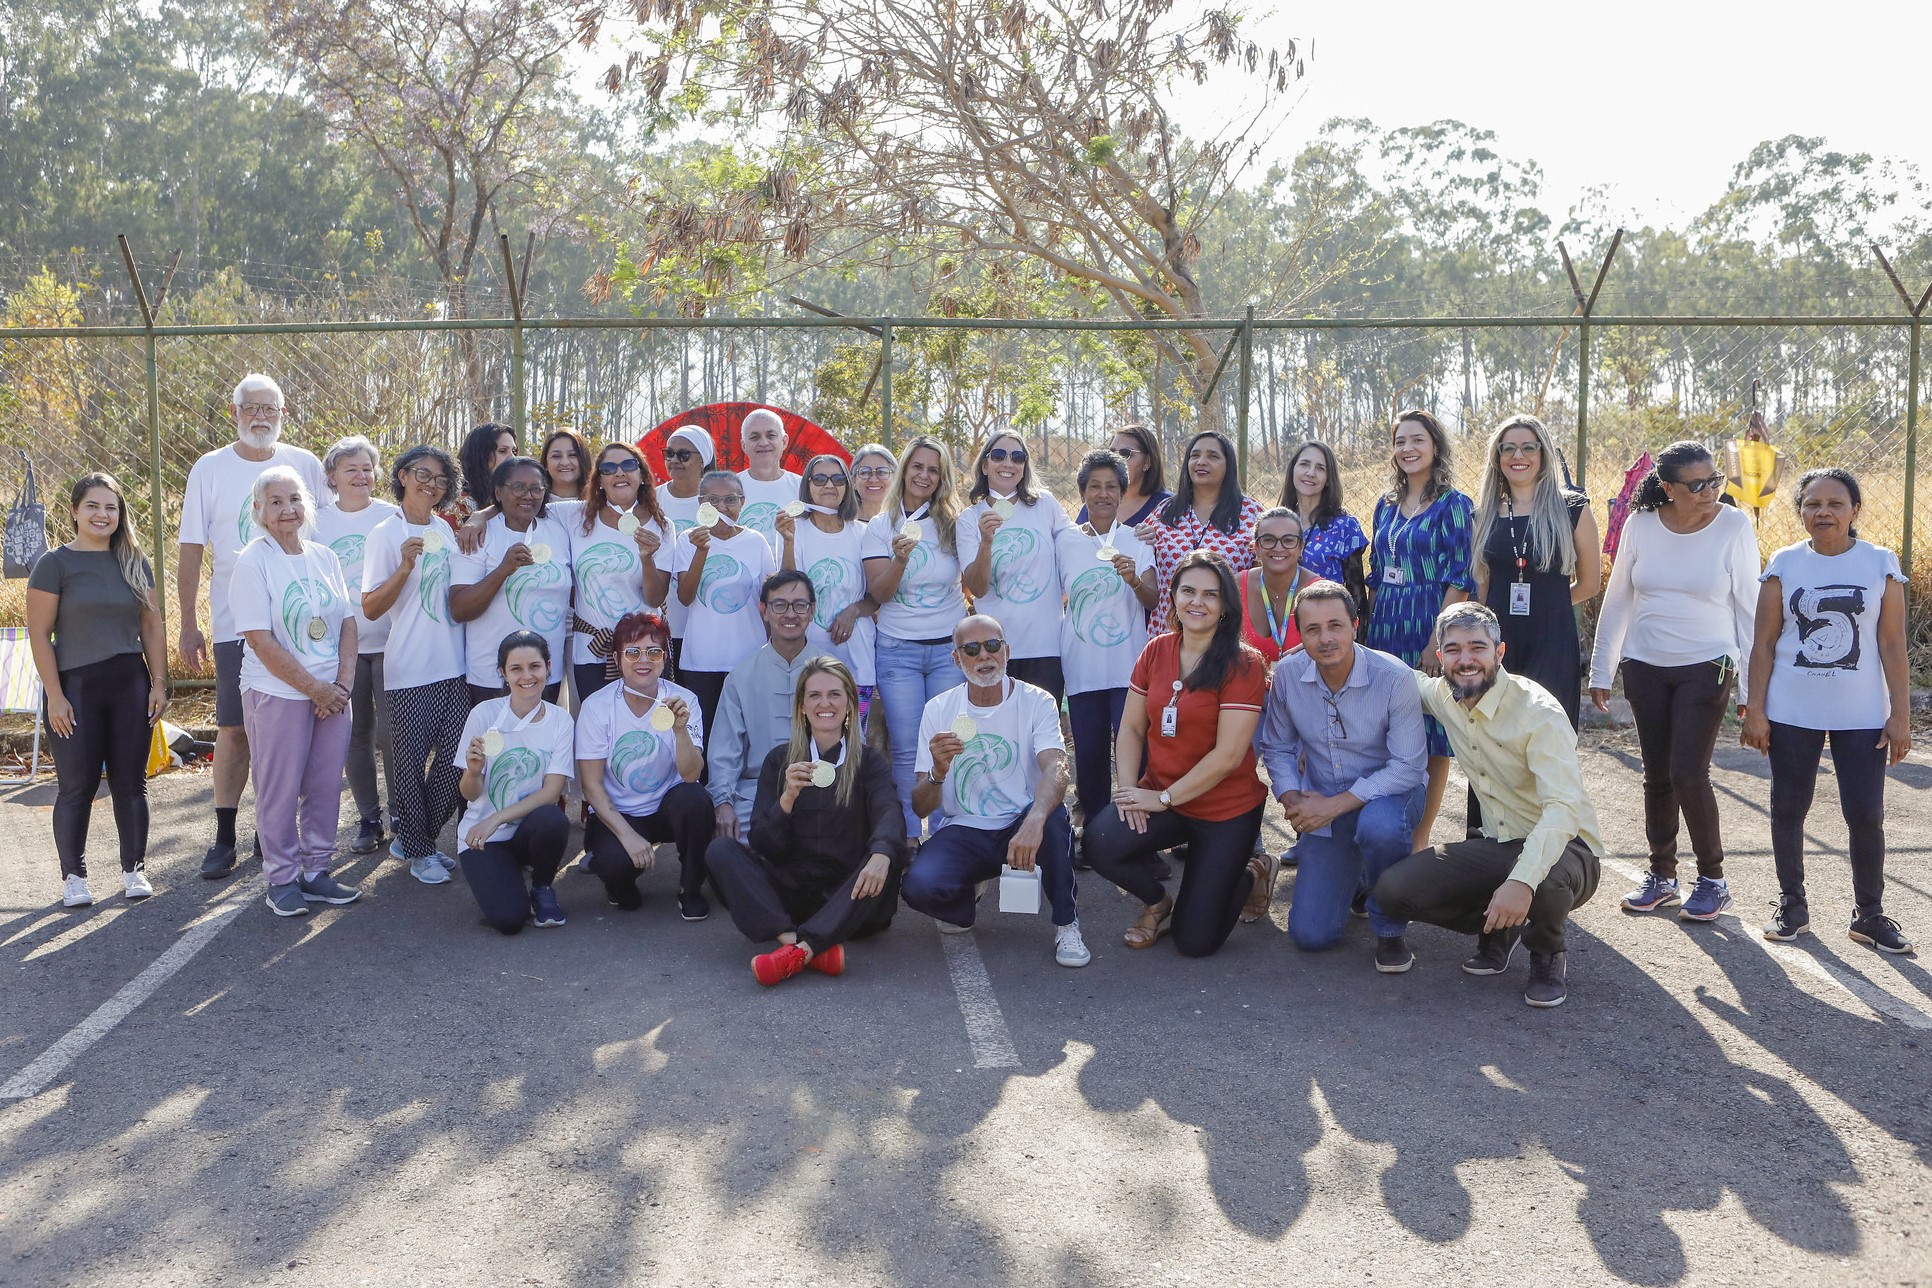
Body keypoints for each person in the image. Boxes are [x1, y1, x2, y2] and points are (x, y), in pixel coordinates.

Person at [1374, 602, 1604, 1008]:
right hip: (1499, 843)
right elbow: (1399, 674)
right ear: (1439, 655)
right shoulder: (1445, 695)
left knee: (1542, 880)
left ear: (1499, 652)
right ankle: (1500, 926)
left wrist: (1521, 881)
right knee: (1393, 891)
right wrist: (1333, 645)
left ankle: (1547, 952)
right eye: (1454, 649)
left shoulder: (1539, 713)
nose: (1466, 660)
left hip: (1567, 850)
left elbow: (1562, 810)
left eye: (1477, 647)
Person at [1742, 469, 1913, 954]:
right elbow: (1764, 644)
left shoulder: (1880, 563)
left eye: (1835, 503)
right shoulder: (1784, 563)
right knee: (1788, 809)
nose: (1823, 512)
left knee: (1864, 813)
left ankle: (1869, 915)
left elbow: (1892, 643)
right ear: (1800, 512)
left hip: (1861, 713)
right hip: (1792, 708)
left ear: (1855, 510)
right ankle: (1792, 906)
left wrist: (1901, 716)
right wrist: (1756, 709)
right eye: (1813, 504)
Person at [1589, 439, 1758, 923]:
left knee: (1688, 772)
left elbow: (1749, 609)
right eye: (1697, 484)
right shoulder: (1641, 526)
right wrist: (1604, 668)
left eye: (1715, 481)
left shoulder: (1734, 525)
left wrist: (1751, 687)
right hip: (1645, 666)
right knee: (1657, 774)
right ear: (1668, 488)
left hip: (1708, 664)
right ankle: (1662, 876)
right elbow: (1618, 598)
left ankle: (1713, 880)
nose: (1710, 492)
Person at [177, 373, 328, 879]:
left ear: (282, 415)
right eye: (251, 408)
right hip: (236, 626)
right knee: (236, 730)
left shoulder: (305, 463)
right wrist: (188, 623)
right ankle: (224, 837)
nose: (260, 417)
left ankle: (275, 835)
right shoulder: (210, 468)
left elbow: (325, 537)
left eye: (270, 409)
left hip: (303, 624)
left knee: (288, 734)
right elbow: (192, 547)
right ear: (234, 412)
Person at [1082, 552, 1269, 957]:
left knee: (1195, 943)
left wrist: (1162, 799)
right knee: (1098, 841)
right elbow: (1131, 728)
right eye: (1188, 591)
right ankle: (1157, 902)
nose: (1197, 602)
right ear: (1174, 596)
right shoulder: (1156, 650)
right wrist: (1131, 791)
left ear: (1225, 606)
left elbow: (1228, 755)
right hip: (1162, 797)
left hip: (1224, 810)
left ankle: (1251, 872)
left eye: (1210, 594)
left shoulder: (1244, 663)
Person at [900, 614, 1090, 968]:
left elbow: (1057, 766)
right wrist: (938, 773)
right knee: (917, 886)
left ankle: (1067, 924)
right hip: (965, 828)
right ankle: (966, 901)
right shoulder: (938, 709)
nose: (984, 656)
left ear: (1007, 651)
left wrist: (1033, 820)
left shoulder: (1037, 701)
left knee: (1053, 820)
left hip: (1022, 820)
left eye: (992, 646)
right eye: (971, 649)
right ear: (957, 659)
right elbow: (921, 806)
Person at [1253, 581, 1428, 964]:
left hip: (1390, 798)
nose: (1325, 638)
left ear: (1355, 625)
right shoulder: (1287, 675)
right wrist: (1292, 798)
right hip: (1323, 804)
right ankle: (1364, 879)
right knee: (1311, 936)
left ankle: (1390, 928)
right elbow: (1278, 747)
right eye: (1312, 629)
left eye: (1335, 625)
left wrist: (1332, 807)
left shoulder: (1394, 677)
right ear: (1301, 635)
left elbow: (1408, 768)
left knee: (1379, 828)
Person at [707, 657, 906, 985]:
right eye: (814, 695)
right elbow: (763, 844)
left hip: (850, 894)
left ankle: (802, 947)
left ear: (850, 704)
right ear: (801, 706)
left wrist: (882, 855)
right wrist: (786, 800)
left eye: (834, 694)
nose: (824, 703)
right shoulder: (779, 761)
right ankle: (802, 947)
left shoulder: (868, 762)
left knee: (888, 854)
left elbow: (889, 811)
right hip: (792, 895)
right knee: (720, 851)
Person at [27, 473, 167, 907]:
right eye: (93, 505)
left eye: (111, 507)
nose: (102, 514)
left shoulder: (134, 561)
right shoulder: (54, 564)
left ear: (120, 514)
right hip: (76, 688)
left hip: (129, 683)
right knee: (77, 785)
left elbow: (151, 625)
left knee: (131, 782)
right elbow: (39, 635)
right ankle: (74, 877)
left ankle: (134, 871)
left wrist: (159, 682)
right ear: (74, 511)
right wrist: (56, 694)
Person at [229, 466, 362, 918]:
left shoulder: (325, 557)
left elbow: (346, 622)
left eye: (294, 500)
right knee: (279, 789)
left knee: (326, 785)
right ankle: (282, 878)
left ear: (306, 506)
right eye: (276, 502)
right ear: (259, 511)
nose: (287, 510)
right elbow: (259, 640)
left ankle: (317, 871)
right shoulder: (253, 561)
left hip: (333, 694)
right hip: (278, 693)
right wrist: (314, 688)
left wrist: (341, 686)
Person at [1364, 409, 1476, 854]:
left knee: (1432, 733)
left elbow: (1461, 577)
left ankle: (1420, 837)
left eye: (1417, 440)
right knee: (1385, 726)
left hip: (1430, 619)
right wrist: (1367, 636)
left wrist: (1439, 640)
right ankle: (1382, 826)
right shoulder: (1384, 505)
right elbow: (1376, 573)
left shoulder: (1455, 504)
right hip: (1387, 622)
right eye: (1400, 441)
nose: (1407, 449)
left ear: (1435, 446)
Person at [361, 445, 470, 886]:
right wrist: (404, 567)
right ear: (403, 476)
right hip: (409, 668)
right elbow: (370, 608)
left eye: (440, 480)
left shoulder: (445, 529)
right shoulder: (384, 533)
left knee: (457, 760)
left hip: (455, 665)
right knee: (406, 763)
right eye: (422, 474)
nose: (431, 484)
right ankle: (422, 851)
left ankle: (415, 836)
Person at [575, 611, 718, 920]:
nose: (644, 660)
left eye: (654, 651)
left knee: (696, 800)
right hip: (621, 812)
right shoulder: (597, 706)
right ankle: (621, 885)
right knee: (615, 872)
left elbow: (692, 775)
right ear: (616, 657)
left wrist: (680, 731)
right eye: (633, 651)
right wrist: (627, 836)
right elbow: (591, 784)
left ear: (665, 657)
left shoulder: (684, 700)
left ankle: (691, 889)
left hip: (668, 806)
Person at [862, 436, 969, 840]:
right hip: (896, 651)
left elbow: (975, 580)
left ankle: (945, 834)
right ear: (904, 469)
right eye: (917, 466)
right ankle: (908, 835)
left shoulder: (955, 524)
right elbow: (878, 594)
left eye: (933, 470)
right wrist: (900, 560)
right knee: (906, 749)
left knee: (946, 745)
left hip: (948, 652)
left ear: (942, 478)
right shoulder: (879, 526)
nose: (924, 475)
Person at [1470, 414, 1600, 728]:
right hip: (1499, 641)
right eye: (1508, 448)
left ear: (1543, 454)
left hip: (1552, 639)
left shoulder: (1572, 509)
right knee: (1497, 738)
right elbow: (1482, 587)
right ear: (1497, 457)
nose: (1518, 456)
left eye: (1529, 447)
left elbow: (1591, 583)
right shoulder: (1482, 515)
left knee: (1548, 736)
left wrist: (1549, 604)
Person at [1055, 449, 1156, 836]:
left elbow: (1151, 597)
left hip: (1129, 667)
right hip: (1081, 665)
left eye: (1111, 487)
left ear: (1122, 493)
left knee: (1134, 752)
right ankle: (1096, 835)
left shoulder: (1137, 539)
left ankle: (1140, 834)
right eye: (1094, 486)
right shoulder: (1064, 541)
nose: (1102, 494)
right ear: (1082, 492)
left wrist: (1133, 579)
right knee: (1090, 752)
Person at [453, 631, 576, 934]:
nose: (527, 677)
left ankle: (543, 885)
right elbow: (470, 793)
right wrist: (471, 772)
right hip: (482, 836)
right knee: (509, 920)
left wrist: (496, 818)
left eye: (534, 666)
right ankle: (504, 876)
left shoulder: (561, 720)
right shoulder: (484, 714)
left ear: (548, 667)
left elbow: (551, 793)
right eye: (516, 669)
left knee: (553, 819)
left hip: (524, 830)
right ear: (502, 674)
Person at [315, 436, 401, 855]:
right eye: (350, 469)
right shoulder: (316, 522)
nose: (361, 476)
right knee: (356, 733)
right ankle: (370, 818)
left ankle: (402, 812)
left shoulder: (392, 516)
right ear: (332, 476)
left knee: (393, 733)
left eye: (367, 468)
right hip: (340, 648)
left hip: (392, 640)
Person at [959, 430, 1074, 699]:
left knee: (1042, 732)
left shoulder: (1044, 504)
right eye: (999, 455)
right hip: (994, 650)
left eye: (1018, 457)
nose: (1008, 463)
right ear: (985, 465)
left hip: (1046, 647)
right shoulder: (969, 519)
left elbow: (1075, 544)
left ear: (1024, 467)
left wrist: (1128, 535)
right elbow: (977, 588)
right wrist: (986, 542)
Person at [449, 456, 572, 706]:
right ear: (498, 491)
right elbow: (460, 609)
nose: (528, 495)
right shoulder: (478, 535)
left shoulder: (558, 529)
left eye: (536, 488)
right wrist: (503, 569)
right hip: (492, 677)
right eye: (518, 487)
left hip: (546, 673)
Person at [709, 572, 818, 842]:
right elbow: (725, 751)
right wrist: (723, 803)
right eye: (779, 605)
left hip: (819, 790)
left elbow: (853, 745)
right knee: (724, 846)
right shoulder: (741, 675)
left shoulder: (833, 671)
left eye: (800, 605)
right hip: (755, 794)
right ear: (764, 611)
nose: (790, 614)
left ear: (812, 611)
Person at [668, 469, 778, 731]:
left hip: (749, 658)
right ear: (700, 504)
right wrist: (701, 551)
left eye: (730, 500)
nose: (722, 507)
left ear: (742, 502)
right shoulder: (688, 540)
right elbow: (685, 597)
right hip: (701, 659)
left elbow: (769, 600)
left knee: (748, 733)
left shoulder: (756, 541)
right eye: (712, 501)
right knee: (703, 735)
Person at [568, 442, 671, 702]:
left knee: (648, 729)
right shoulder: (576, 516)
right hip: (593, 649)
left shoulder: (662, 525)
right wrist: (479, 518)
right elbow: (528, 508)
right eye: (608, 468)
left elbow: (655, 598)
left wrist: (647, 558)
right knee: (599, 732)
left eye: (628, 465)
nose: (619, 473)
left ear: (642, 476)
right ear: (599, 480)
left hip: (645, 651)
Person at [776, 452, 877, 706]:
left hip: (858, 658)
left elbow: (878, 595)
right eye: (819, 479)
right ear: (807, 485)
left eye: (837, 479)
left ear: (848, 485)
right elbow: (788, 589)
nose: (829, 485)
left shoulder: (865, 533)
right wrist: (788, 541)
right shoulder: (794, 530)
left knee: (856, 738)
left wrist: (853, 611)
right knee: (809, 736)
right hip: (807, 658)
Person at [1134, 429, 1263, 625]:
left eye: (1213, 456)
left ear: (1228, 465)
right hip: (1167, 631)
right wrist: (1140, 536)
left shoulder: (1251, 513)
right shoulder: (1165, 512)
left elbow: (1262, 574)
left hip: (1226, 632)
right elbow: (1141, 553)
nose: (1201, 461)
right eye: (1195, 455)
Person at [1279, 439, 1369, 612]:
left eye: (1320, 468)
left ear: (1328, 479)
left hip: (1326, 624)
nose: (1311, 473)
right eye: (1304, 464)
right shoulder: (1278, 523)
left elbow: (1357, 597)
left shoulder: (1344, 527)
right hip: (1281, 624)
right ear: (1293, 470)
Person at [655, 424, 713, 675]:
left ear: (703, 460)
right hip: (665, 620)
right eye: (669, 453)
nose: (675, 460)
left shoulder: (718, 500)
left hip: (709, 617)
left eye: (684, 455)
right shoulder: (652, 500)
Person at [1239, 507, 1321, 668]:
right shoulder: (1236, 586)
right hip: (1247, 689)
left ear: (1301, 547)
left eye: (1288, 540)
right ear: (1256, 547)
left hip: (1301, 688)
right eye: (1268, 539)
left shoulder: (1320, 592)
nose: (1278, 548)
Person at [1076, 423, 1171, 529]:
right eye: (1112, 453)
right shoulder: (1096, 503)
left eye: (1125, 454)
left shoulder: (1168, 507)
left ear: (1147, 462)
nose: (1117, 460)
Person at [735, 407, 801, 544]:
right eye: (755, 437)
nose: (764, 443)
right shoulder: (730, 488)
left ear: (784, 441)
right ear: (743, 445)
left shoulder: (803, 487)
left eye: (771, 435)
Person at [452, 422, 517, 524]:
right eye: (503, 451)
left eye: (514, 451)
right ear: (481, 455)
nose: (512, 457)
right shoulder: (460, 505)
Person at [541, 429, 592, 503]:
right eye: (556, 456)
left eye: (572, 455)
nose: (565, 462)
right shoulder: (533, 504)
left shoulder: (599, 505)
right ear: (546, 463)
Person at [849, 443, 896, 523]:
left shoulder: (905, 523)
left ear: (895, 478)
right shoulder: (840, 526)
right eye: (865, 472)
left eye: (881, 472)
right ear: (853, 481)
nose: (873, 480)